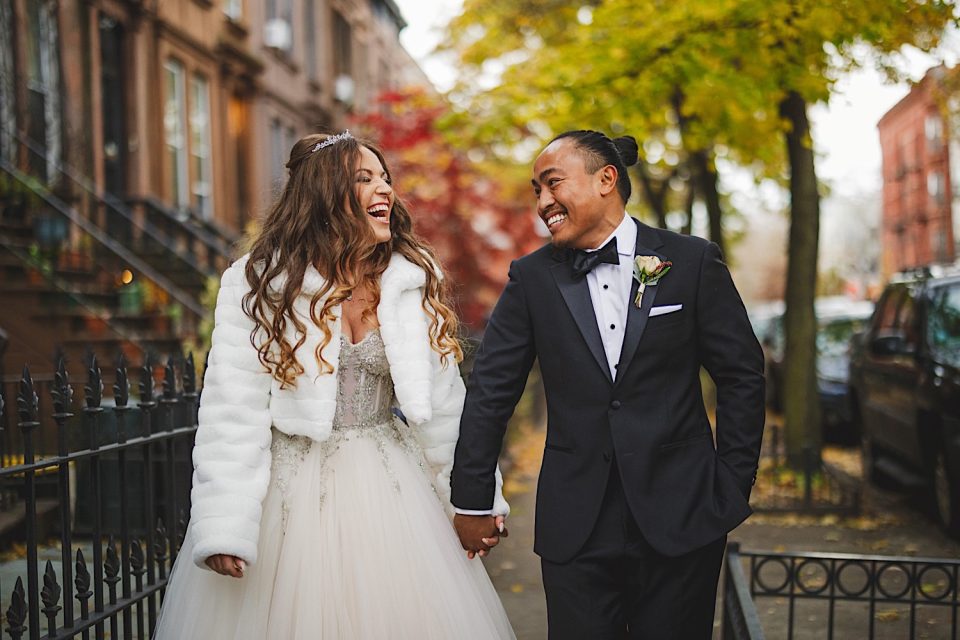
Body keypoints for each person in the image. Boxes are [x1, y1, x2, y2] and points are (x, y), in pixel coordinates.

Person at [154, 131, 515, 639]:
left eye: (385, 178)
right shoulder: (257, 283)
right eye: (365, 179)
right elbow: (231, 412)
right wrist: (225, 524)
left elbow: (446, 407)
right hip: (290, 501)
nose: (385, 189)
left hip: (392, 492)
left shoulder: (408, 281)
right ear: (325, 195)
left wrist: (475, 502)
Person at [450, 130, 764, 639]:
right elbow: (491, 390)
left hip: (683, 516)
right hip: (576, 526)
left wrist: (731, 486)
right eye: (536, 191)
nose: (543, 202)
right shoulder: (531, 279)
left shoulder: (692, 262)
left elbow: (742, 376)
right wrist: (471, 498)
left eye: (553, 184)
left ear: (606, 179)